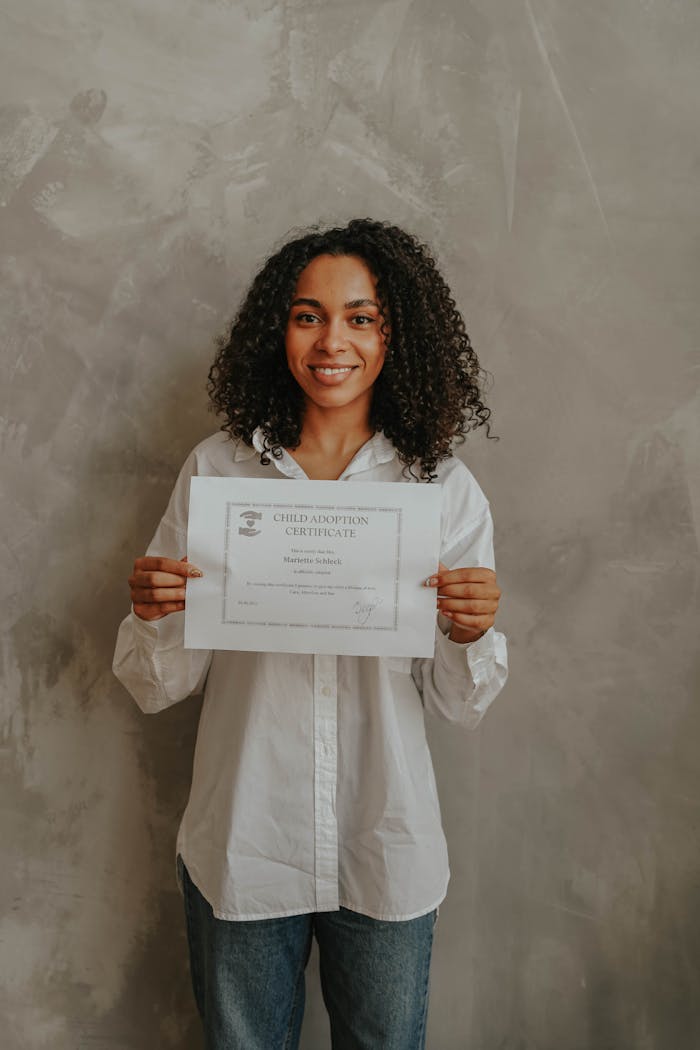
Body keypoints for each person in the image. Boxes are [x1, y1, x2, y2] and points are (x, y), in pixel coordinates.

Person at [113, 218, 508, 1050]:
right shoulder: (217, 471)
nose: (333, 341)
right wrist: (153, 616)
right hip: (245, 836)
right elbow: (160, 686)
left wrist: (471, 634)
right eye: (308, 316)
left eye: (362, 318)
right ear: (278, 330)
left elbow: (458, 704)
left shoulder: (440, 489)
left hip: (384, 836)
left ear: (396, 336)